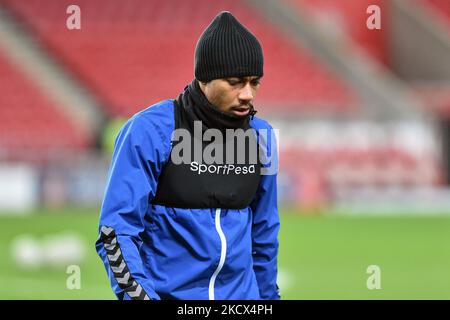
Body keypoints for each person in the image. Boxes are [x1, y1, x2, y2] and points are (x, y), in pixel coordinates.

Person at [96, 11, 280, 300]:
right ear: (204, 78)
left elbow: (265, 237)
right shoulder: (149, 130)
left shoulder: (262, 137)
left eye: (254, 82)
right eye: (235, 82)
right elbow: (116, 232)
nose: (248, 94)